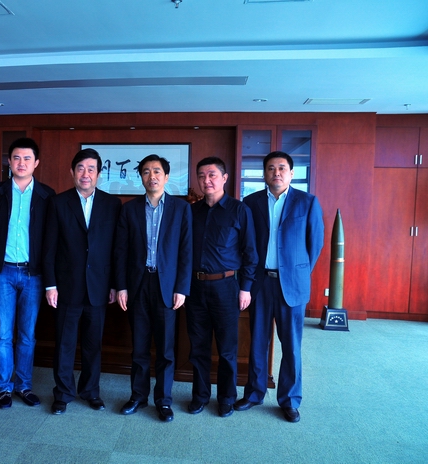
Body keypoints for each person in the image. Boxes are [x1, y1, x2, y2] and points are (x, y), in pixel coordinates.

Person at [235, 151, 324, 423]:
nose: (276, 173)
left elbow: (315, 244)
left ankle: (290, 400)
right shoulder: (250, 203)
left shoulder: (307, 202)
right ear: (264, 173)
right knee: (257, 343)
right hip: (260, 283)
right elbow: (245, 245)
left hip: (292, 286)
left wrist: (296, 272)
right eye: (271, 168)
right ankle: (254, 393)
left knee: (291, 346)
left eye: (282, 168)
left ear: (291, 173)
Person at [43, 148, 122, 415]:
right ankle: (63, 393)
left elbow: (116, 249)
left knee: (93, 345)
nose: (85, 174)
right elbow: (49, 247)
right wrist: (50, 284)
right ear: (72, 172)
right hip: (67, 286)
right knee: (64, 344)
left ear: (99, 174)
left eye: (91, 169)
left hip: (99, 286)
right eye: (80, 168)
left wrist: (114, 284)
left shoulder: (112, 204)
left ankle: (90, 391)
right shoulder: (58, 203)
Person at [114, 154, 192, 422]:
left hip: (167, 286)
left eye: (157, 171)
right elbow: (121, 251)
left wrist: (182, 287)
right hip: (138, 285)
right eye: (146, 172)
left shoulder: (181, 209)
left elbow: (186, 251)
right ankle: (138, 396)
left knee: (166, 349)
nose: (152, 176)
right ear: (141, 177)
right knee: (139, 347)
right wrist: (121, 286)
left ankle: (164, 400)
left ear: (167, 177)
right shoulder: (130, 209)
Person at [0, 137, 55, 409]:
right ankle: (4, 388)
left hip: (33, 274)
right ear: (9, 162)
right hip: (2, 273)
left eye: (27, 158)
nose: (21, 163)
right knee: (2, 334)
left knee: (27, 334)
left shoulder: (47, 195)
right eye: (16, 158)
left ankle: (23, 385)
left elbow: (50, 238)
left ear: (36, 163)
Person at [185, 157, 257, 418]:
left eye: (212, 175)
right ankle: (200, 396)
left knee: (227, 349)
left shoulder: (239, 210)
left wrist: (245, 288)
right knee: (198, 347)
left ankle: (226, 397)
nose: (207, 180)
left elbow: (250, 253)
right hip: (195, 287)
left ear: (224, 178)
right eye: (202, 176)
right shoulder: (191, 212)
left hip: (227, 287)